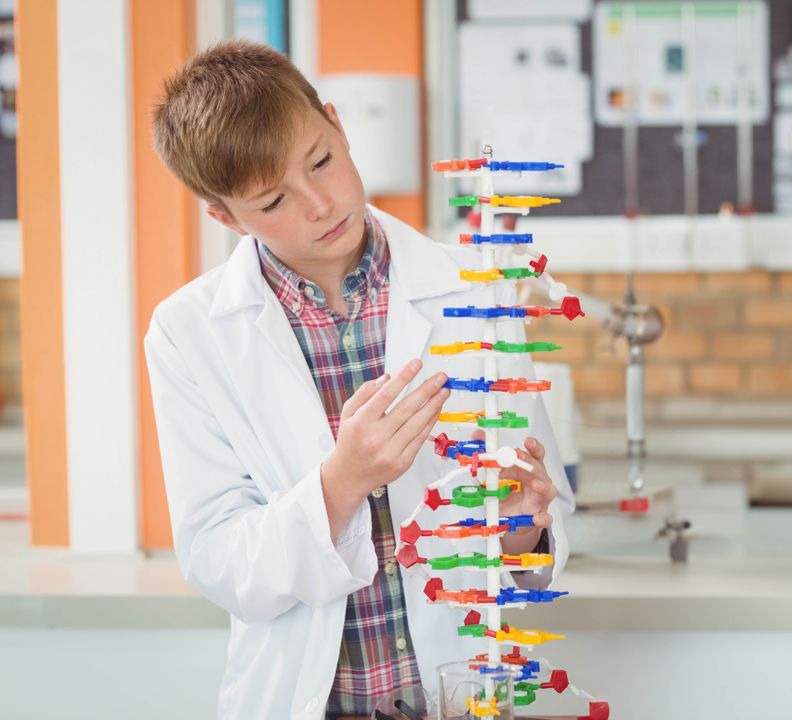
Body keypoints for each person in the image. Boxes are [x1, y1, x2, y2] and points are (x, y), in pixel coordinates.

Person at [144, 40, 573, 720]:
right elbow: (220, 562)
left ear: (340, 126)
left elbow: (538, 533)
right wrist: (341, 483)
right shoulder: (191, 334)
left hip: (460, 697)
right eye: (274, 199)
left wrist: (524, 533)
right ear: (225, 217)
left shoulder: (474, 294)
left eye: (321, 160)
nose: (319, 203)